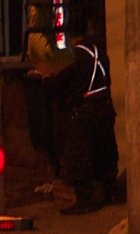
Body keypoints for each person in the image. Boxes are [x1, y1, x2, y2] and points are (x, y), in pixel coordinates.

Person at [41, 26, 119, 213]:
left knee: (80, 160)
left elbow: (57, 85)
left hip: (82, 117)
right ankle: (107, 194)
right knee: (105, 156)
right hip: (105, 112)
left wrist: (44, 78)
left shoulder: (73, 57)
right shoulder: (99, 53)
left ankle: (84, 201)